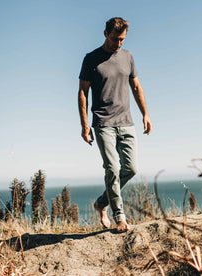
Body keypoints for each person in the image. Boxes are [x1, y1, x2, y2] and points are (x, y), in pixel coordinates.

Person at [78, 17, 152, 232]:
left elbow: (136, 87)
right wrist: (84, 125)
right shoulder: (91, 59)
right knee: (112, 168)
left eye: (122, 40)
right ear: (105, 34)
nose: (118, 44)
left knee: (131, 169)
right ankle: (120, 217)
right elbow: (83, 93)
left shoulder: (128, 57)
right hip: (103, 122)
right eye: (114, 39)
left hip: (126, 122)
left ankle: (101, 203)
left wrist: (145, 114)